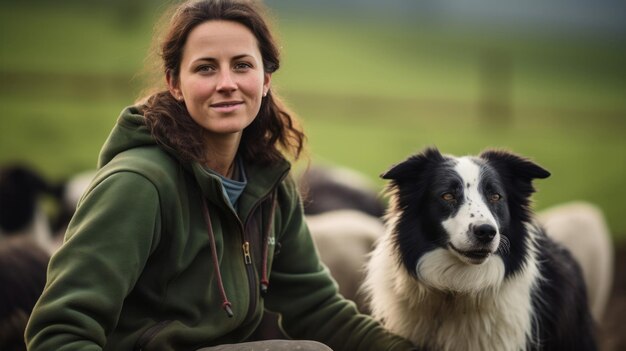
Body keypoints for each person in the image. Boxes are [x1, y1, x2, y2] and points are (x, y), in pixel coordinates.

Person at [24, 1, 418, 350]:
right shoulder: (138, 185)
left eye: (242, 65)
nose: (226, 83)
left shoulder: (269, 185)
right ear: (175, 84)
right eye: (206, 68)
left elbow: (317, 309)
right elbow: (59, 330)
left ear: (265, 80)